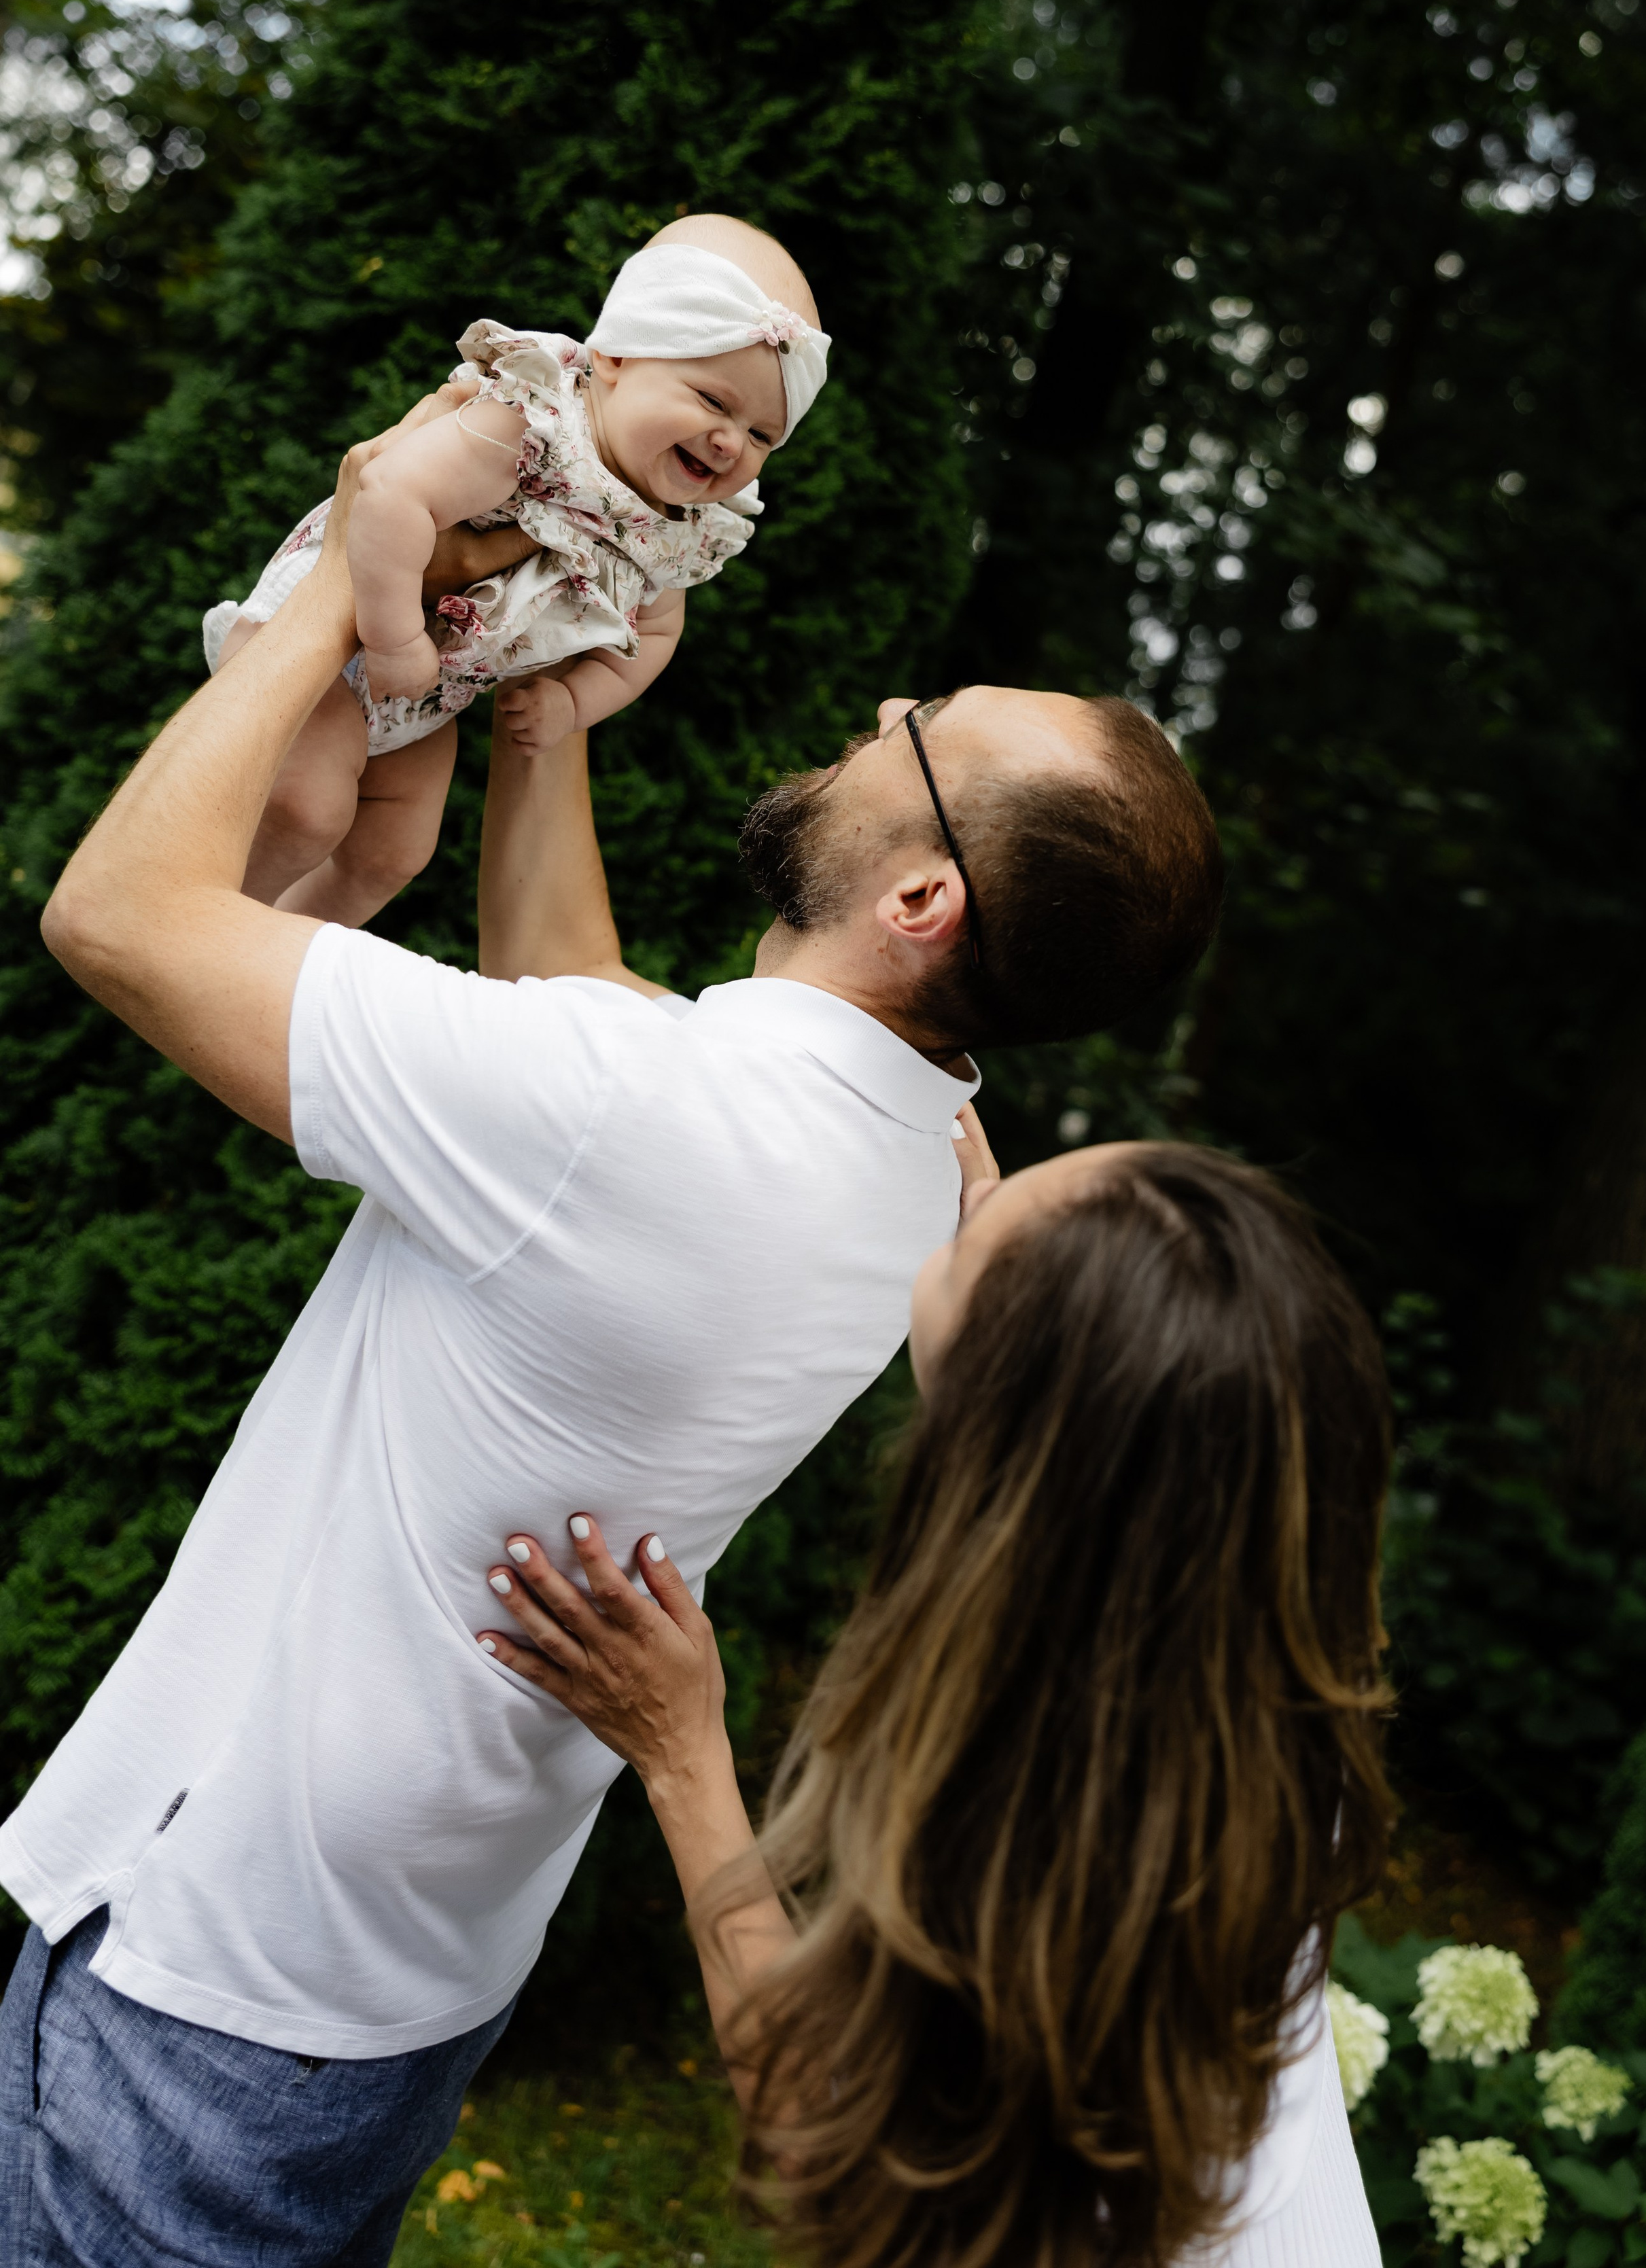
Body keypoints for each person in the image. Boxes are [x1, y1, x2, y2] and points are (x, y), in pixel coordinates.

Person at [0, 385, 1222, 2266]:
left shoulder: (625, 1118)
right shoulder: (915, 1162)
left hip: (207, 1971)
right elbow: (574, 1001)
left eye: (920, 731)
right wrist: (540, 724)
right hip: (408, 1967)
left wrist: (356, 555)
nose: (880, 708)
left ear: (919, 895)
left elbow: (114, 915)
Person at [478, 1139, 1393, 2267]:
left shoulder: (1048, 1839)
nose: (972, 1200)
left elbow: (831, 2142)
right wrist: (1009, 1244)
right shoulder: (1252, 1677)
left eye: (975, 1241)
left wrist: (683, 1756)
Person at [206, 214, 828, 925]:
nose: (730, 443)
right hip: (338, 629)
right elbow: (389, 494)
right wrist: (393, 640)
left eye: (762, 435)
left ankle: (280, 950)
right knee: (308, 809)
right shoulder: (536, 422)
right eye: (713, 401)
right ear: (616, 357)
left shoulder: (675, 532)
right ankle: (201, 929)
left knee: (393, 854)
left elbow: (655, 637)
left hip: (425, 694)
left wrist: (573, 704)